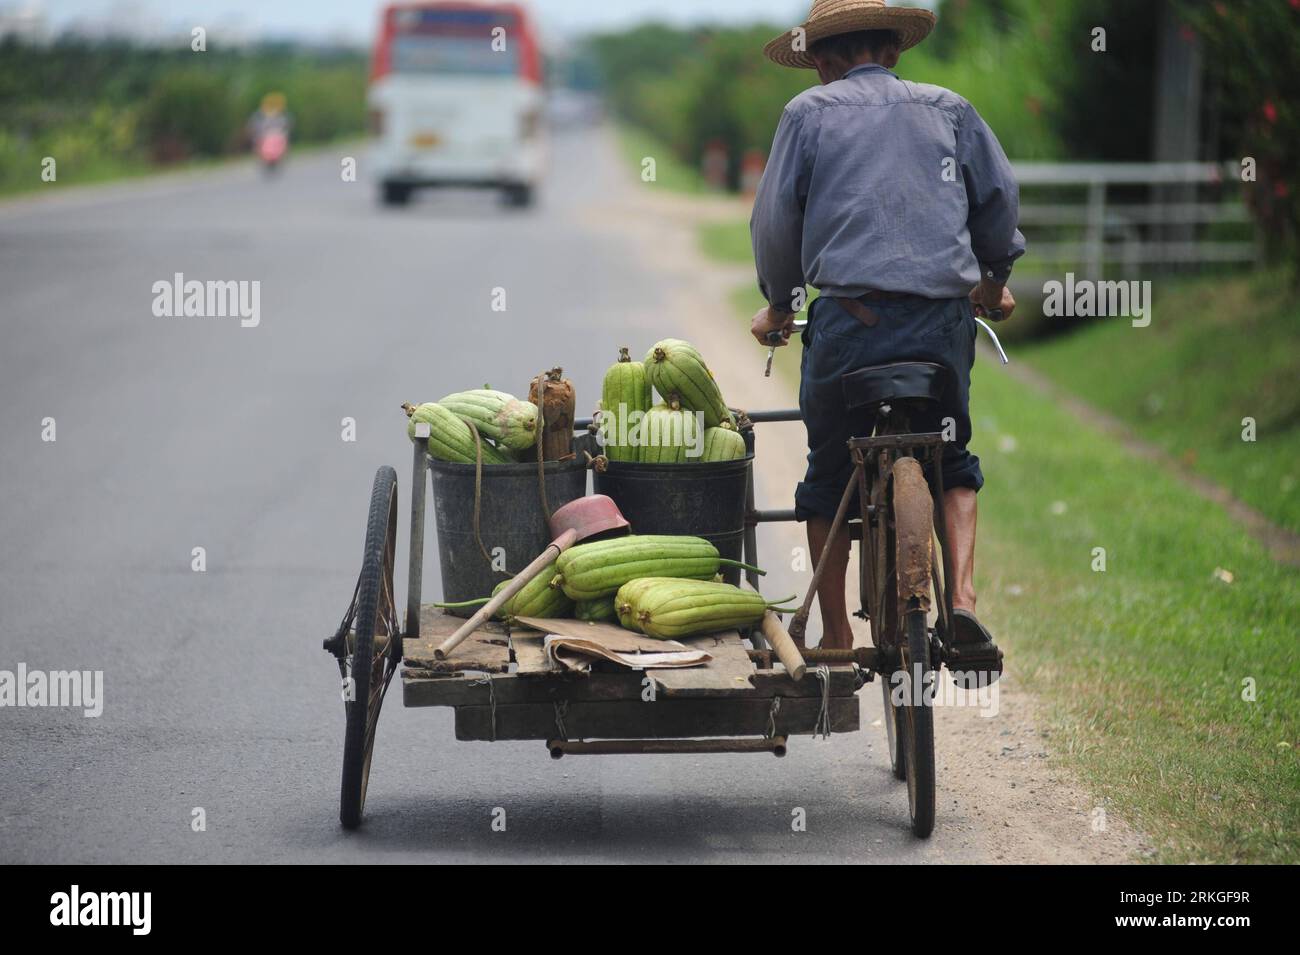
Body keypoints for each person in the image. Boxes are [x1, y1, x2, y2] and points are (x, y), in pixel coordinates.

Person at [749, 0, 1024, 666]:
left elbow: (777, 227)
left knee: (826, 470)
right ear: (894, 52)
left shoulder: (806, 115)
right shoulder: (950, 109)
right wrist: (992, 279)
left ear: (818, 60)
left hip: (850, 326)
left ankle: (838, 634)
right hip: (941, 327)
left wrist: (781, 309)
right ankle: (962, 599)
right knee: (952, 455)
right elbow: (997, 201)